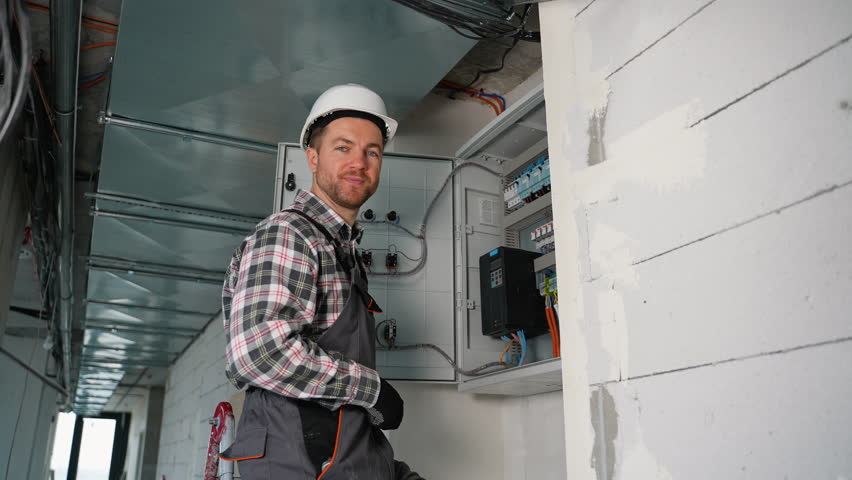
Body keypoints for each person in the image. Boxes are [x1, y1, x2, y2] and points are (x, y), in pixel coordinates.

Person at [219, 84, 424, 480]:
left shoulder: (342, 252)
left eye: (372, 152)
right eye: (343, 147)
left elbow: (340, 422)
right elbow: (261, 354)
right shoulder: (289, 235)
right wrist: (373, 390)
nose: (359, 162)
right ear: (312, 158)